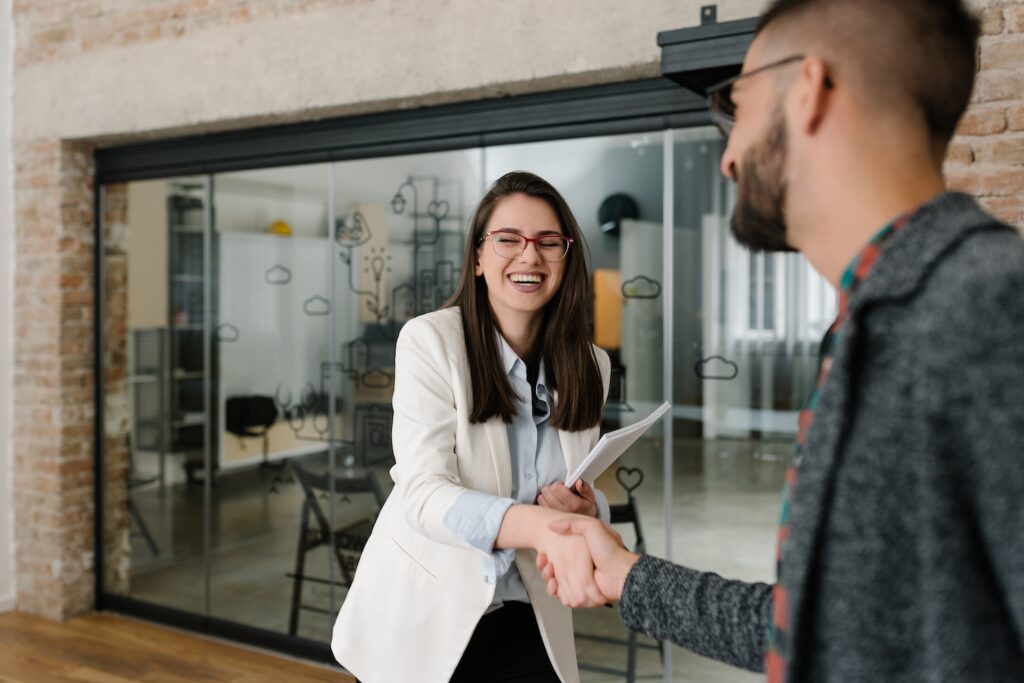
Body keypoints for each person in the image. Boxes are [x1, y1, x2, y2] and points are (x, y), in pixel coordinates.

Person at [539, 0, 1024, 681]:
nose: (729, 156)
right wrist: (628, 575)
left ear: (809, 91)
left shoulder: (989, 308)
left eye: (737, 105)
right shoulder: (871, 326)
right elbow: (824, 624)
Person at [332, 171, 612, 683]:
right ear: (479, 258)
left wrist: (588, 510)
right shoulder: (430, 342)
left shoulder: (590, 365)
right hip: (426, 617)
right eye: (508, 240)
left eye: (548, 242)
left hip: (531, 610)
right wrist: (545, 526)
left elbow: (580, 484)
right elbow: (422, 495)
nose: (529, 256)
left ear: (566, 259)